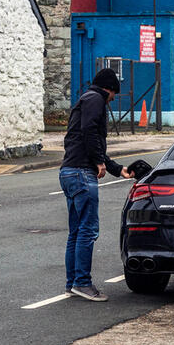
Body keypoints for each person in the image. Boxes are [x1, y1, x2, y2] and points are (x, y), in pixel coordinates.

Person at [60, 68, 133, 301]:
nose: (112, 100)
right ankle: (82, 283)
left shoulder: (86, 98)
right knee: (88, 230)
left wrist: (116, 169)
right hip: (82, 173)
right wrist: (98, 162)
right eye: (113, 95)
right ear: (109, 89)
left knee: (76, 231)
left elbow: (87, 139)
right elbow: (90, 131)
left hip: (70, 171)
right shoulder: (96, 99)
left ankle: (72, 284)